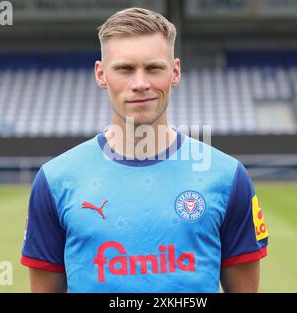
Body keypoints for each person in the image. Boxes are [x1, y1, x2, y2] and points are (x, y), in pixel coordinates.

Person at [20, 7, 268, 293]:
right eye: (125, 69)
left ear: (174, 71)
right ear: (101, 75)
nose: (140, 84)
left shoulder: (227, 176)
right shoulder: (55, 180)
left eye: (153, 68)